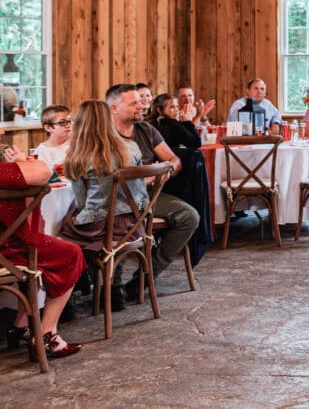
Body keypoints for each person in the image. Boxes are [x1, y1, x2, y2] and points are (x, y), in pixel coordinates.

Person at [105, 84, 198, 295]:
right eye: (134, 103)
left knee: (189, 216)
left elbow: (174, 160)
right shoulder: (104, 134)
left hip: (147, 195)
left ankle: (146, 275)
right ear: (114, 108)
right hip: (113, 197)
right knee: (117, 219)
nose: (142, 106)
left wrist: (163, 172)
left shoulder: (146, 130)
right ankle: (111, 286)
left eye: (141, 101)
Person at [59, 99, 149, 312]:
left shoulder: (79, 156)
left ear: (81, 124)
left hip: (100, 227)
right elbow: (139, 189)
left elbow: (82, 203)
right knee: (111, 226)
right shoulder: (132, 147)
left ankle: (70, 293)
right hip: (134, 225)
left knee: (60, 233)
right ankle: (112, 289)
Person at [1, 152, 84, 358]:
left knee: (39, 253)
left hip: (9, 246)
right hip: (8, 252)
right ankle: (46, 335)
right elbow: (44, 172)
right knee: (69, 254)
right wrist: (22, 161)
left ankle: (21, 327)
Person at [148, 93, 214, 266]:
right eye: (172, 107)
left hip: (164, 184)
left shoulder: (153, 125)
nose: (176, 110)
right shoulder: (170, 124)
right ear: (160, 110)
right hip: (175, 183)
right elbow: (195, 143)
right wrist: (187, 121)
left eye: (177, 106)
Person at [35, 104, 73, 174]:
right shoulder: (41, 151)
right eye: (62, 122)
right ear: (48, 128)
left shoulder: (76, 145)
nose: (68, 125)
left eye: (69, 121)